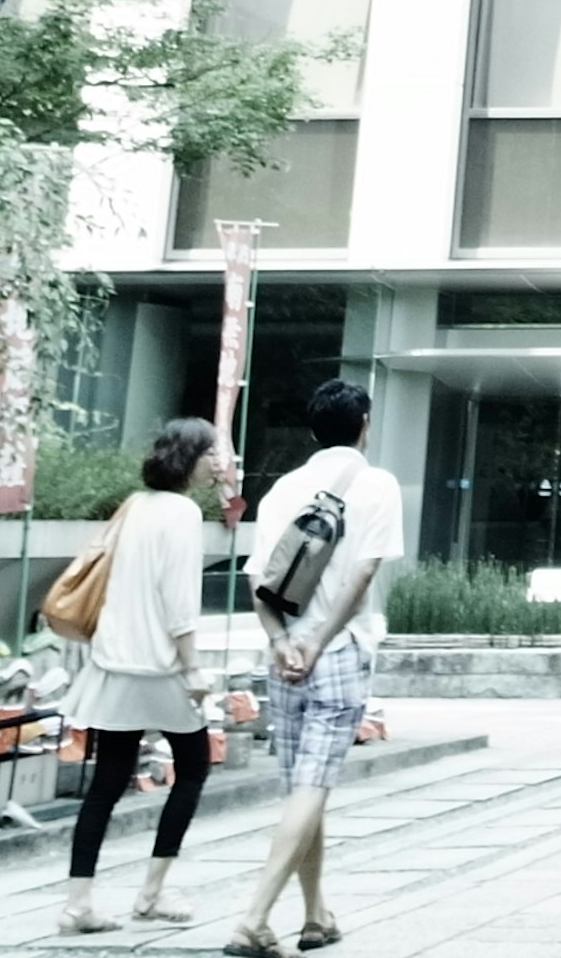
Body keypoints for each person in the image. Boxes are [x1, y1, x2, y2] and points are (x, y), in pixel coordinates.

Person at [229, 379, 406, 958]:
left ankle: (314, 916)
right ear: (365, 424)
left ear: (312, 429)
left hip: (284, 659)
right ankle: (253, 919)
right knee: (311, 787)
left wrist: (283, 641)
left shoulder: (283, 487)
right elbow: (362, 577)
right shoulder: (377, 485)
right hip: (336, 652)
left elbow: (259, 579)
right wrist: (321, 641)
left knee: (307, 789)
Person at [57, 418, 219, 935]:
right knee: (193, 767)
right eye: (211, 453)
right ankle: (151, 892)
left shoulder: (134, 506)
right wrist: (192, 665)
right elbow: (179, 600)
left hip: (114, 662)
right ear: (190, 458)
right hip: (161, 667)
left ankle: (78, 902)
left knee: (106, 783)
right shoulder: (184, 514)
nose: (218, 463)